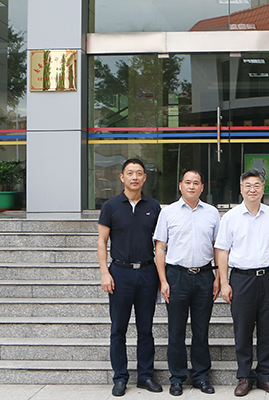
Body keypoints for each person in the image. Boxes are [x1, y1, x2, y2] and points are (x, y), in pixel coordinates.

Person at [214, 169, 269, 397]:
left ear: (263, 189)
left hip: (268, 277)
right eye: (248, 185)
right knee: (242, 330)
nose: (252, 189)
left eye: (257, 185)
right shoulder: (230, 217)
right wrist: (224, 283)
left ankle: (265, 376)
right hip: (241, 279)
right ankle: (244, 376)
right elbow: (222, 251)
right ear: (241, 189)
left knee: (268, 329)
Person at [97, 158, 163, 397]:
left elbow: (160, 244)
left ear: (145, 177)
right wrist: (105, 273)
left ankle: (145, 376)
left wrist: (162, 277)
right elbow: (102, 241)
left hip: (147, 273)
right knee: (118, 329)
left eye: (139, 173)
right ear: (122, 177)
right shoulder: (111, 206)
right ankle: (120, 378)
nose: (134, 177)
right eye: (130, 173)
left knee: (146, 329)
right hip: (120, 273)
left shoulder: (154, 206)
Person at [153, 170, 220, 397]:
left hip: (204, 276)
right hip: (176, 276)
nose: (192, 186)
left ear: (202, 187)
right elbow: (160, 248)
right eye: (188, 182)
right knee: (176, 330)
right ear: (180, 185)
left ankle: (201, 376)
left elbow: (218, 247)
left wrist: (219, 277)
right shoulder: (168, 212)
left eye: (196, 183)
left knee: (201, 330)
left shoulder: (212, 213)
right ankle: (177, 378)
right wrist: (163, 280)